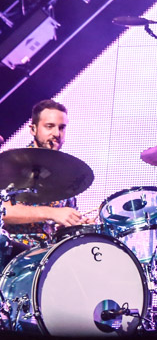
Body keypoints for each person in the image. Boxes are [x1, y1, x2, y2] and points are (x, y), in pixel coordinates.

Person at [3, 99, 91, 248]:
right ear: (33, 129)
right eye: (49, 126)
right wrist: (52, 213)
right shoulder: (11, 163)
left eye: (62, 128)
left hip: (47, 256)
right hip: (12, 252)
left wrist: (76, 224)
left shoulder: (68, 174)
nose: (57, 133)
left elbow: (59, 228)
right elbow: (3, 212)